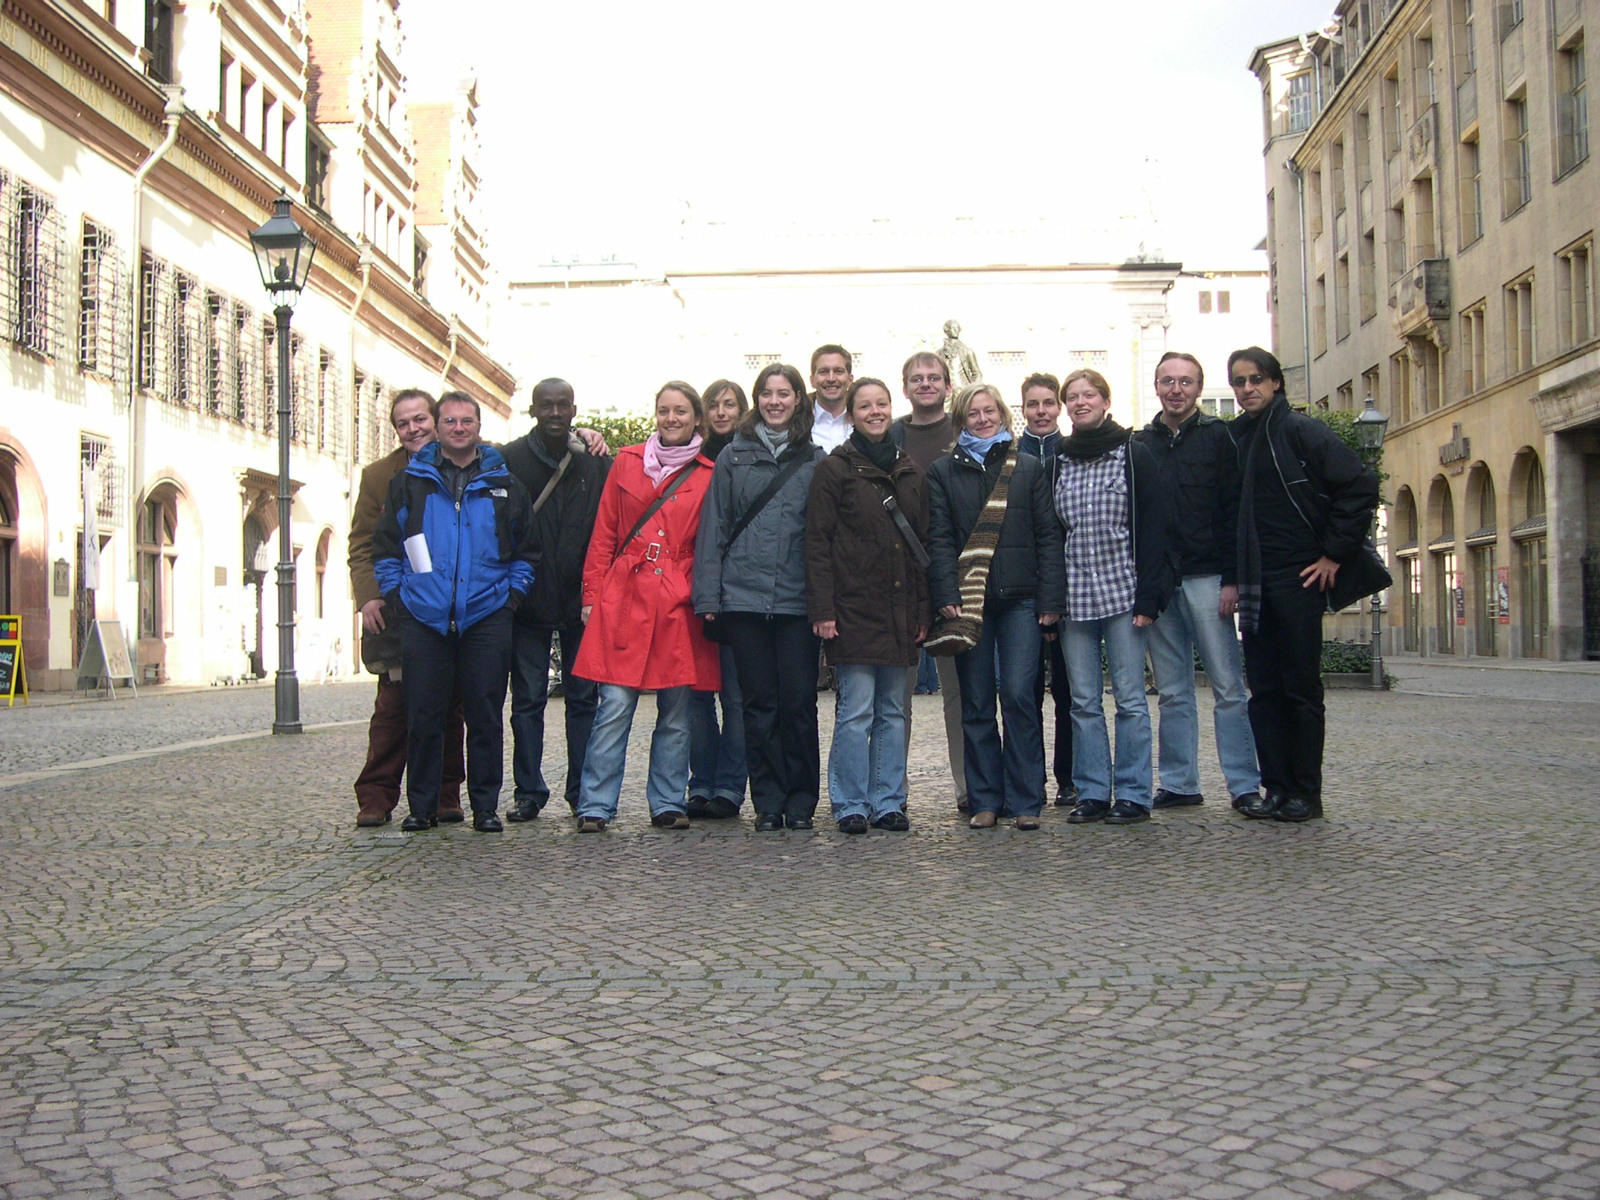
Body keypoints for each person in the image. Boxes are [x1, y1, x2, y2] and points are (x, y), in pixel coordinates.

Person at [1227, 347, 1379, 822]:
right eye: (1238, 382)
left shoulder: (1300, 430)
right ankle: (1276, 788)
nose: (1247, 388)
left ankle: (1305, 794)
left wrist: (1333, 553)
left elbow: (1358, 485)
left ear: (1274, 383)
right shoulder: (1237, 436)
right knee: (1264, 690)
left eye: (1255, 380)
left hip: (1297, 577)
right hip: (1256, 580)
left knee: (1299, 689)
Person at [373, 392, 536, 833]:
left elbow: (526, 550)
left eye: (467, 421)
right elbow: (386, 548)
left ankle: (484, 806)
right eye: (450, 421)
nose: (459, 428)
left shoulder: (505, 483)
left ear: (479, 426)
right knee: (424, 716)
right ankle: (422, 806)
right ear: (438, 427)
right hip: (424, 616)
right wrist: (399, 597)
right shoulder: (411, 481)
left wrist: (511, 598)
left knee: (485, 715)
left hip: (486, 614)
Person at [572, 382, 721, 832]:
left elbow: (710, 543)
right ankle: (595, 804)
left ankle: (668, 801)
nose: (671, 418)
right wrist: (592, 597)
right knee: (614, 705)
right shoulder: (627, 461)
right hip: (625, 596)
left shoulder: (709, 472)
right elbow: (605, 534)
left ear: (696, 418)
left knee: (676, 710)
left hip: (678, 598)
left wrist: (698, 592)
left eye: (680, 411)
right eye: (663, 411)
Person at [694, 363, 826, 832]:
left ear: (797, 400)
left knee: (797, 702)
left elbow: (823, 537)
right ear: (758, 400)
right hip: (744, 598)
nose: (775, 401)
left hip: (795, 600)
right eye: (767, 394)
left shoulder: (815, 458)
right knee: (757, 703)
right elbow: (715, 528)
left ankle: (802, 800)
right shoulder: (733, 456)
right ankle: (768, 800)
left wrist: (825, 602)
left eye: (783, 393)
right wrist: (708, 597)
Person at [927, 382, 1064, 831]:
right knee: (977, 702)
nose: (983, 419)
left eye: (989, 411)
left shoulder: (1026, 467)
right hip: (970, 603)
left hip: (1023, 600)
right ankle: (985, 798)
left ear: (1003, 415)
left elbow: (1048, 535)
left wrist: (1050, 599)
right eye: (973, 413)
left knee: (1021, 697)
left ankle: (1026, 800)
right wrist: (946, 592)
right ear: (960, 420)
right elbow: (940, 538)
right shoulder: (943, 472)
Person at [1132, 353, 1262, 813]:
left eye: (1185, 382)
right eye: (1167, 381)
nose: (1175, 389)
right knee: (1172, 690)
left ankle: (1244, 784)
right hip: (1162, 584)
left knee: (1228, 685)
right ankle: (1180, 782)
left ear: (1199, 388)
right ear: (1156, 385)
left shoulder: (1221, 439)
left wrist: (1233, 580)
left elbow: (1235, 515)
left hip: (1210, 578)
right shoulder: (1139, 444)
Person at [805, 377, 931, 833]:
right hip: (852, 607)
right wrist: (823, 609)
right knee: (856, 711)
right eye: (865, 406)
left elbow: (924, 547)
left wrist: (923, 610)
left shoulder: (910, 470)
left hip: (900, 608)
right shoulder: (835, 470)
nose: (874, 412)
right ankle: (850, 801)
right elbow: (816, 543)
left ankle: (889, 799)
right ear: (852, 414)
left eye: (881, 404)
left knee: (894, 711)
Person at [1054, 369, 1172, 827]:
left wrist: (1149, 598)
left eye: (1089, 395)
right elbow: (1053, 534)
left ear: (1105, 401)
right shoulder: (1058, 461)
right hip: (1074, 597)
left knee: (1129, 698)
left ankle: (1134, 793)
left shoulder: (1132, 454)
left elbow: (1155, 528)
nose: (1080, 403)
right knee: (1083, 701)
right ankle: (1093, 792)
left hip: (1124, 593)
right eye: (1073, 397)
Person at [348, 389, 467, 827]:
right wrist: (369, 595)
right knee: (392, 707)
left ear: (436, 421)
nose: (414, 428)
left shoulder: (466, 461)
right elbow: (361, 542)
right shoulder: (379, 475)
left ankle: (444, 793)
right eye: (404, 423)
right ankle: (376, 797)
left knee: (449, 706)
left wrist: (585, 436)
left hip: (452, 604)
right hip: (397, 608)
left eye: (420, 419)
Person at [499, 378, 611, 823]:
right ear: (532, 409)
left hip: (581, 600)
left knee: (584, 698)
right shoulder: (508, 460)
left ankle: (582, 789)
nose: (555, 413)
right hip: (528, 600)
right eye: (546, 405)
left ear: (575, 410)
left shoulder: (595, 462)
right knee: (527, 699)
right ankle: (529, 791)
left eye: (562, 405)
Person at [890, 351, 967, 813]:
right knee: (896, 694)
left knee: (959, 693)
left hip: (952, 576)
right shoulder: (890, 435)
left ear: (947, 386)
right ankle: (891, 792)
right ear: (905, 387)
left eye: (933, 377)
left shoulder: (963, 432)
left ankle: (966, 787)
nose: (925, 384)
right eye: (916, 378)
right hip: (900, 578)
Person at [686, 379, 751, 820]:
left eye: (730, 405)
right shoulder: (686, 458)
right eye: (714, 405)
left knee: (737, 696)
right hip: (687, 588)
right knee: (695, 696)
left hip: (738, 591)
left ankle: (729, 785)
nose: (722, 412)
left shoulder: (749, 456)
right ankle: (700, 780)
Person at [1016, 371, 1077, 809]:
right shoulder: (1010, 455)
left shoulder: (1074, 452)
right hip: (1023, 589)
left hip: (1069, 587)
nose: (1041, 411)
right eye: (1033, 404)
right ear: (1023, 409)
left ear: (1059, 408)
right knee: (1025, 692)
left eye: (1048, 403)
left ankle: (1069, 778)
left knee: (1070, 692)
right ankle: (1028, 780)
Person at [808, 344, 854, 452]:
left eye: (838, 371)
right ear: (812, 380)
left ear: (850, 379)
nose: (831, 378)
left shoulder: (863, 421)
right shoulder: (796, 422)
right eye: (823, 371)